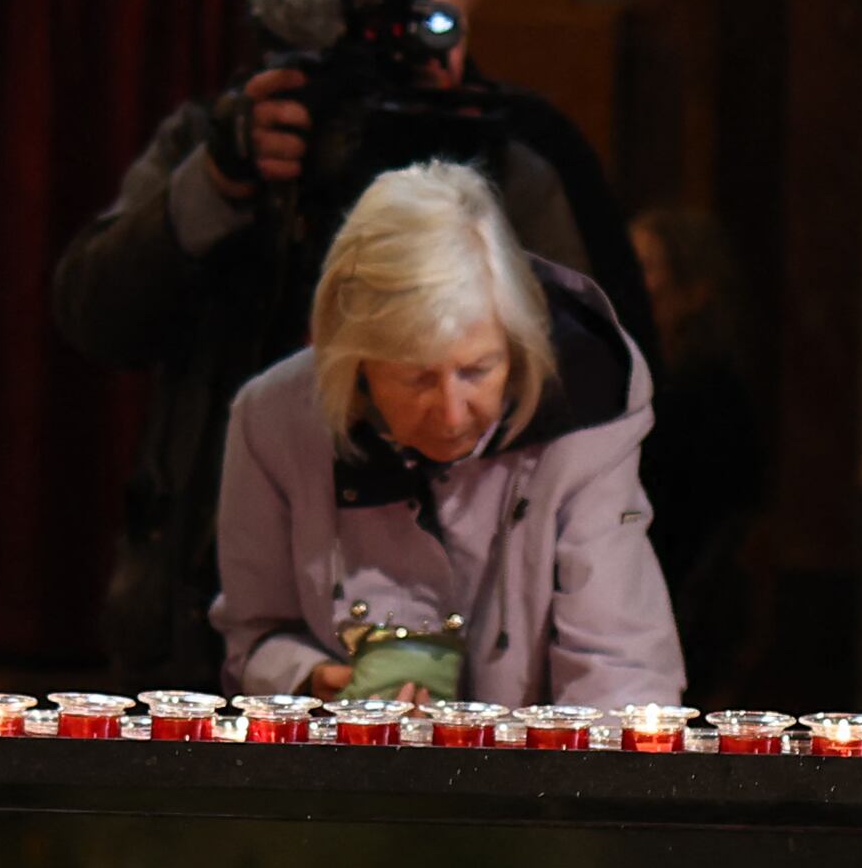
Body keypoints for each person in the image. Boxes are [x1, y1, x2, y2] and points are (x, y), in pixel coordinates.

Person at [53, 0, 649, 684]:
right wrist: (218, 184)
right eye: (377, 21)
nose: (405, 46)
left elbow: (588, 380)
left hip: (473, 610)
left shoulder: (514, 152)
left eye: (431, 21)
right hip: (204, 569)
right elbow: (93, 312)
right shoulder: (242, 130)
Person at [214, 163, 680, 708]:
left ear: (515, 342)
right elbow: (254, 635)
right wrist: (308, 678)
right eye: (416, 379)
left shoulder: (585, 405)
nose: (453, 414)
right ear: (357, 362)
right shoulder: (274, 419)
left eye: (477, 370)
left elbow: (619, 663)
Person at [631, 204, 769, 685]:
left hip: (682, 613)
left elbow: (713, 523)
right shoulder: (640, 382)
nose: (629, 281)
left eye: (645, 267)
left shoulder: (707, 393)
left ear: (694, 290)